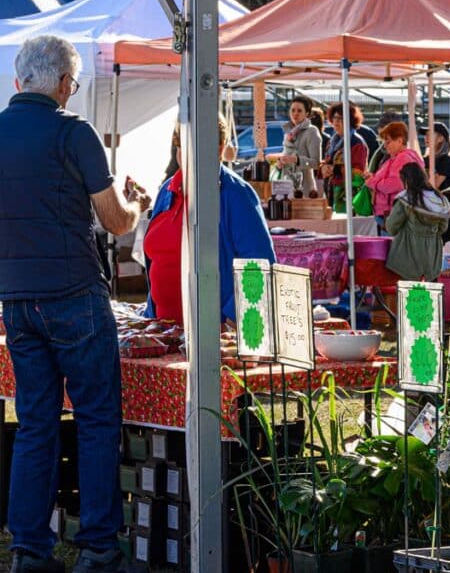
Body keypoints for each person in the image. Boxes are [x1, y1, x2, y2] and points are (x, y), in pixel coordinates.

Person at [0, 35, 151, 573]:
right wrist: (136, 206)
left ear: (20, 82)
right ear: (64, 84)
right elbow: (113, 221)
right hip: (74, 295)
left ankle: (28, 550)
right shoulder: (73, 130)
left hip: (16, 298)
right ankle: (98, 547)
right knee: (95, 419)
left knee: (35, 422)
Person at [144, 116, 276, 325]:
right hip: (165, 333)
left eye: (197, 144)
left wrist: (232, 320)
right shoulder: (166, 190)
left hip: (212, 339)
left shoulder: (236, 194)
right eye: (182, 144)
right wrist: (151, 317)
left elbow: (260, 264)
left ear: (219, 147)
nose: (188, 152)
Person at [385, 163, 450, 281]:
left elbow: (391, 227)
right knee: (430, 297)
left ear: (406, 180)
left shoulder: (405, 199)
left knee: (407, 297)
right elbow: (443, 228)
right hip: (432, 259)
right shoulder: (439, 199)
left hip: (407, 259)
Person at [365, 121, 425, 223]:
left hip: (392, 214)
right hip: (391, 213)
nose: (385, 145)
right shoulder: (397, 158)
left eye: (388, 141)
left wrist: (372, 182)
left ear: (399, 141)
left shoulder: (403, 158)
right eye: (384, 141)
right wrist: (373, 177)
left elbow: (395, 184)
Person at [320, 102, 368, 213]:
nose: (336, 121)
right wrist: (323, 167)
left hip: (347, 195)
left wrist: (335, 170)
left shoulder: (356, 142)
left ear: (350, 120)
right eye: (334, 117)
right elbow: (327, 161)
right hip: (331, 191)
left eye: (341, 118)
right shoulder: (333, 141)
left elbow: (358, 172)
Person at [275, 96, 322, 195]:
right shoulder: (288, 131)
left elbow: (316, 163)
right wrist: (280, 163)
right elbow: (285, 154)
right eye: (293, 110)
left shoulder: (312, 131)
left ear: (307, 113)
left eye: (299, 111)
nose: (295, 114)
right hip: (286, 186)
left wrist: (297, 160)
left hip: (305, 188)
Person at [426, 122, 450, 190]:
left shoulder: (446, 160)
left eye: (430, 134)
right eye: (426, 134)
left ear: (440, 138)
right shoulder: (424, 159)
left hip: (439, 199)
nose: (426, 137)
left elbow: (434, 185)